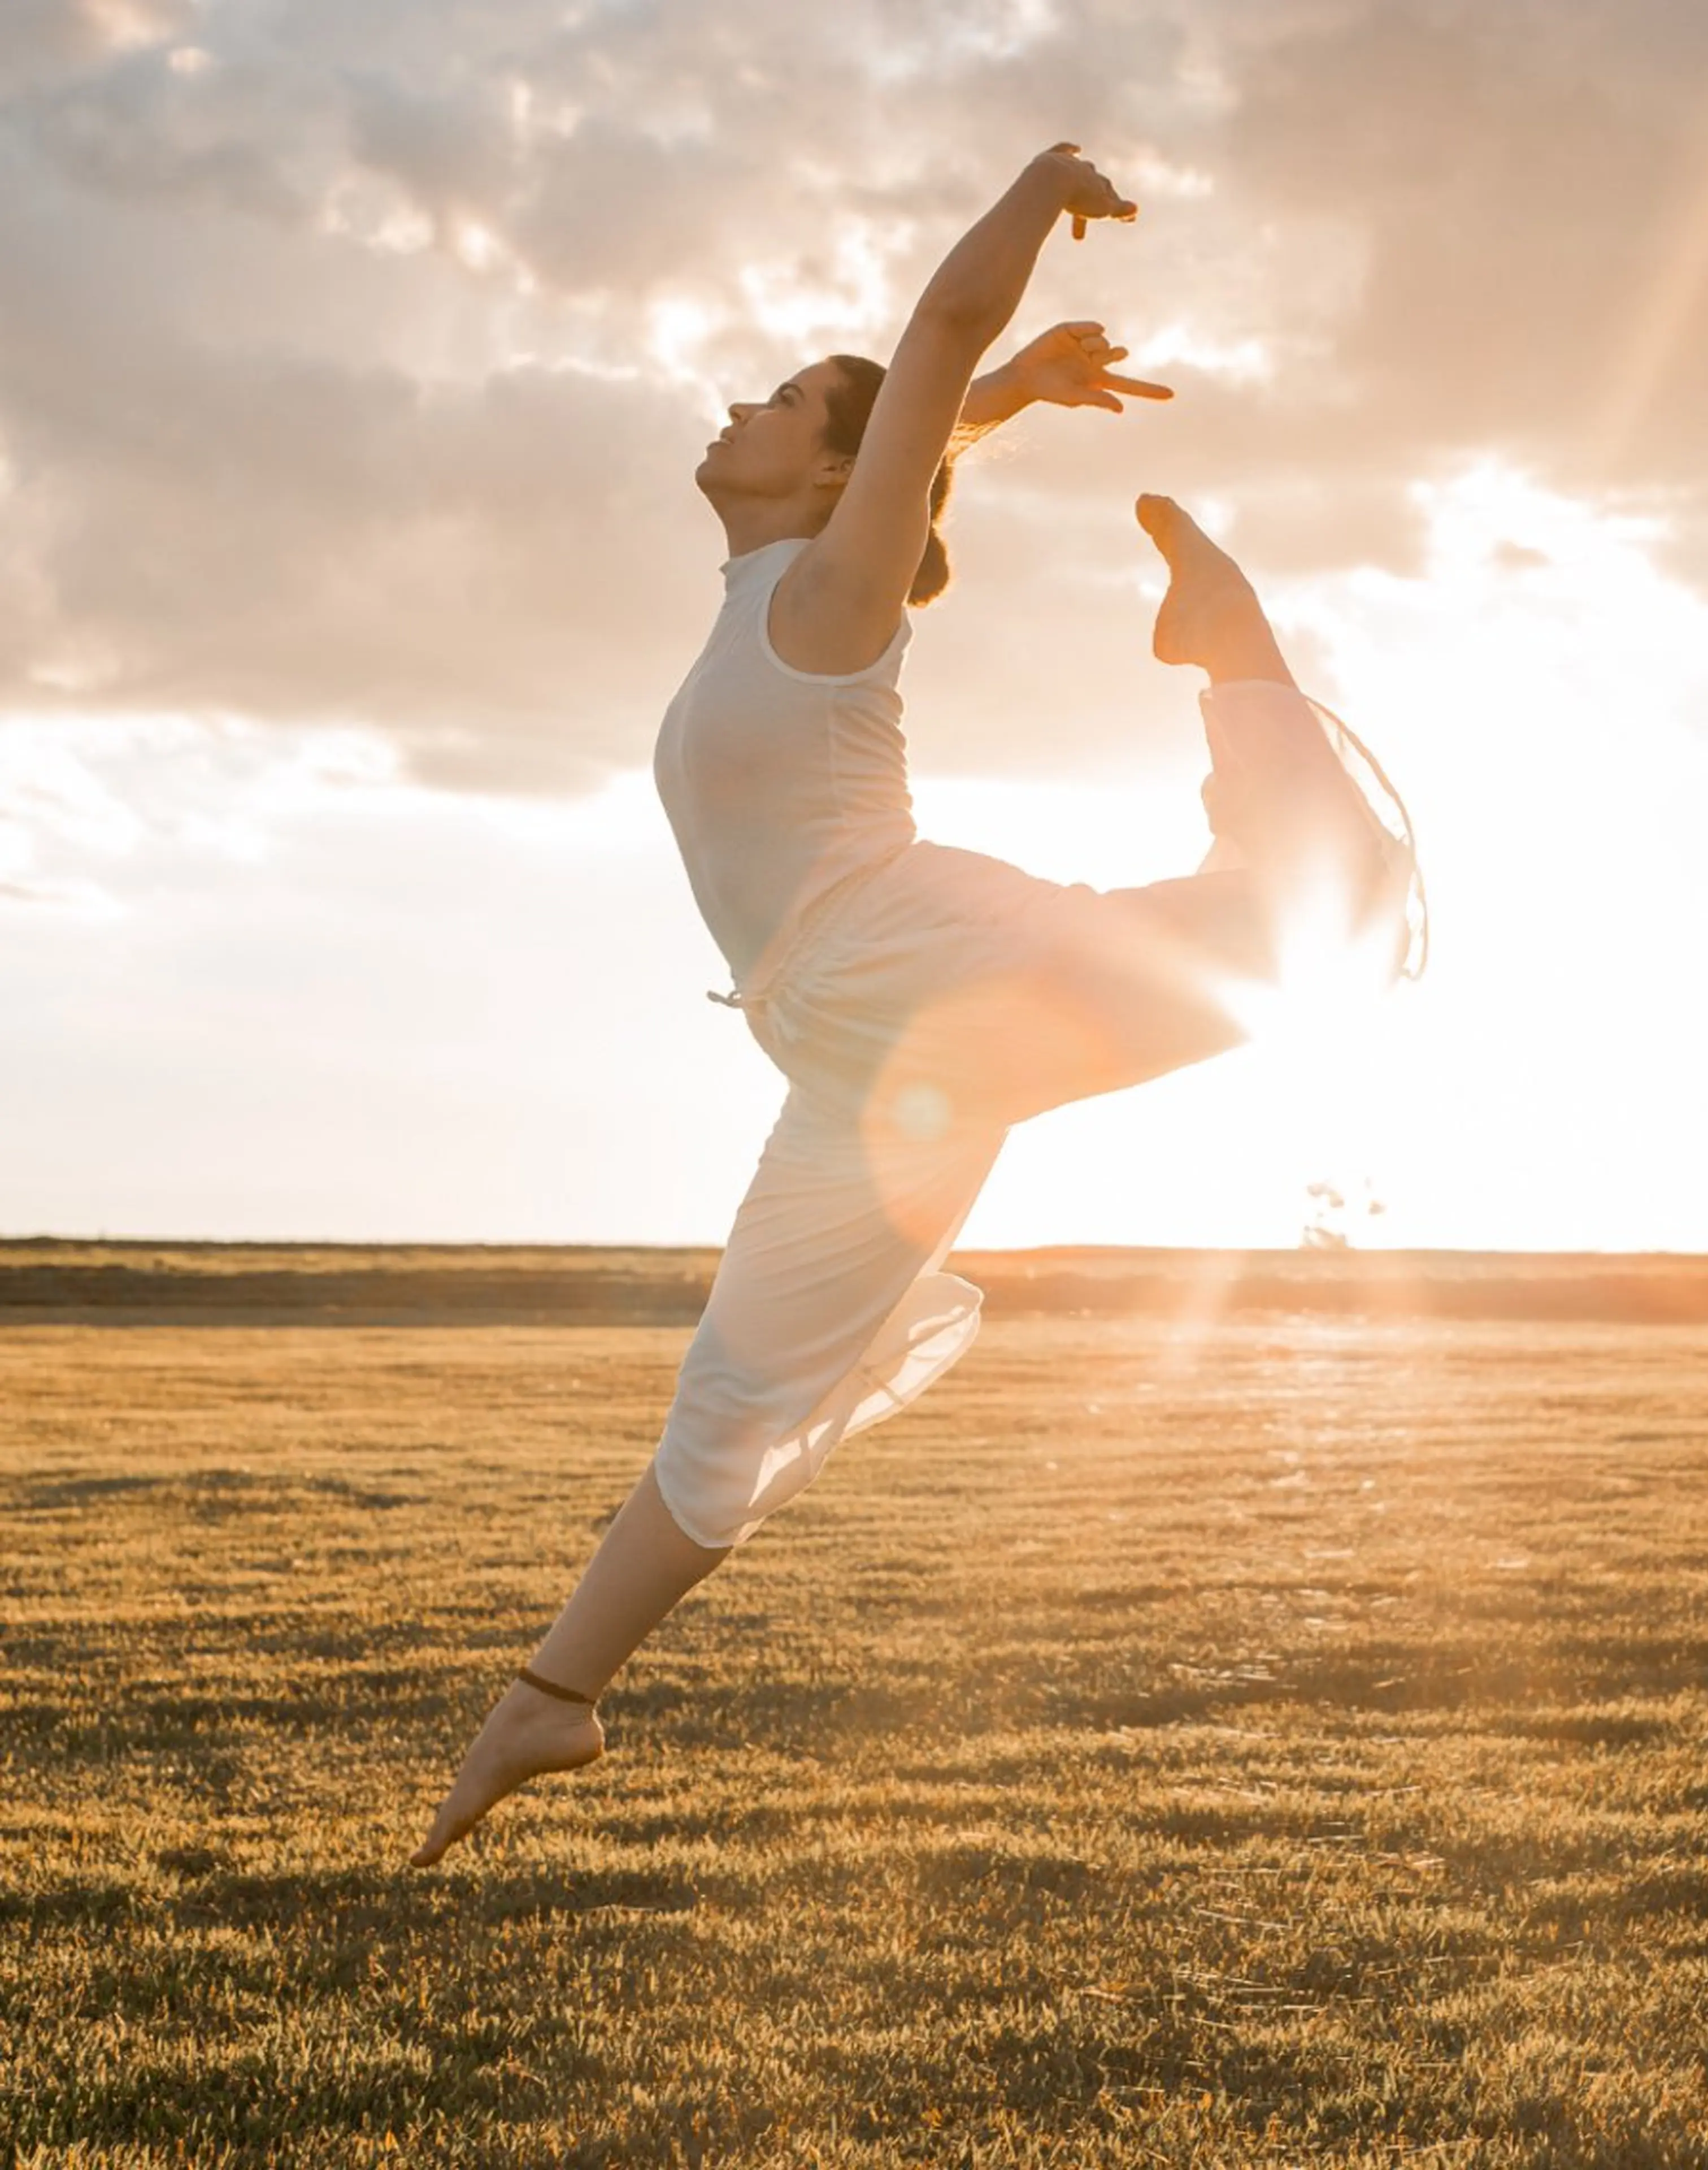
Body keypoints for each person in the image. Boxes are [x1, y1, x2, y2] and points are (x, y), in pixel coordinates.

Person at [412, 145, 1418, 1867]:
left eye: (788, 397)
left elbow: (933, 336)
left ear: (826, 471)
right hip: (834, 1048)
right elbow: (924, 417)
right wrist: (1005, 402)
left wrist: (1032, 203)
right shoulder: (765, 598)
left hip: (913, 958)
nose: (746, 401)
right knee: (737, 1395)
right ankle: (551, 1698)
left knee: (1301, 936)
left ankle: (1235, 657)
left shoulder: (826, 601)